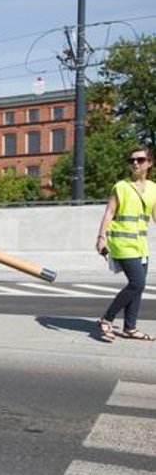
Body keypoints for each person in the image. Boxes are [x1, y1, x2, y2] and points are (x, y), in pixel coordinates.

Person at [96, 145, 156, 341]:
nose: (135, 163)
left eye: (139, 160)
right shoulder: (120, 186)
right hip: (121, 243)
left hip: (141, 245)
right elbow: (109, 213)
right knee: (137, 283)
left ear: (149, 163)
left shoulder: (154, 189)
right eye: (132, 161)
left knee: (137, 288)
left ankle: (130, 327)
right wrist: (101, 238)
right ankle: (107, 319)